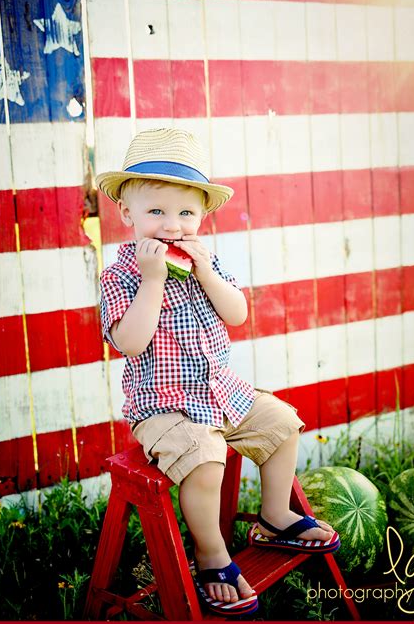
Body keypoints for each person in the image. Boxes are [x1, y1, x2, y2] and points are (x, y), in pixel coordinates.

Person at [96, 128, 340, 616]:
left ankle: (273, 517)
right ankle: (211, 554)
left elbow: (237, 314)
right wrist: (153, 282)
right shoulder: (120, 274)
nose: (173, 226)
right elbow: (129, 341)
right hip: (162, 406)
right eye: (157, 212)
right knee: (207, 459)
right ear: (127, 214)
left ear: (202, 216)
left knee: (281, 423)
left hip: (219, 391)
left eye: (186, 213)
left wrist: (205, 271)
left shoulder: (207, 259)